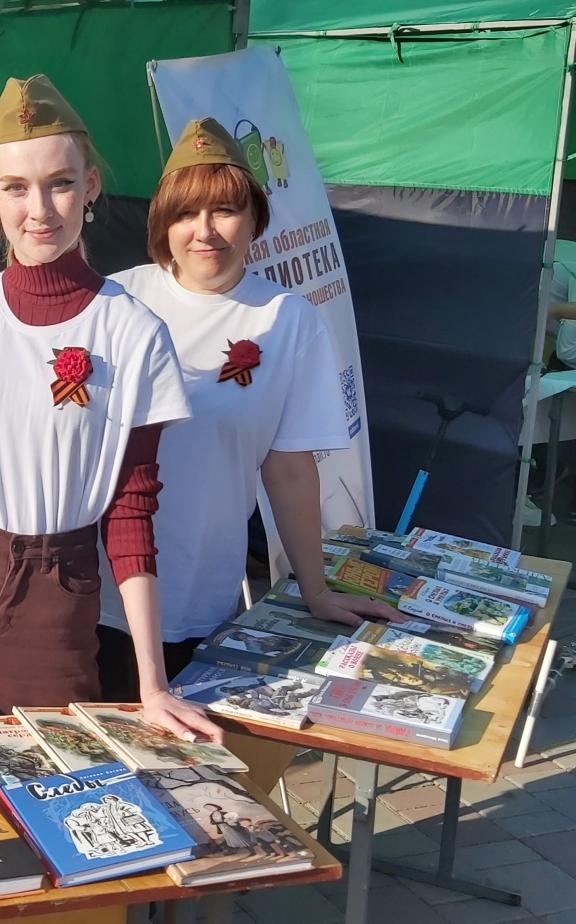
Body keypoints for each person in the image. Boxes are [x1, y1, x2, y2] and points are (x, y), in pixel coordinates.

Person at [0, 75, 222, 751]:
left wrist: (153, 683)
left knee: (54, 784)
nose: (41, 208)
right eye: (17, 187)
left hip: (58, 593)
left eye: (59, 182)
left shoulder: (133, 332)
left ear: (89, 186)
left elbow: (131, 508)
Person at [98, 118, 403, 697]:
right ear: (163, 225)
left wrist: (313, 588)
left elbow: (287, 467)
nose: (205, 232)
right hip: (95, 590)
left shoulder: (287, 320)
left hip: (200, 589)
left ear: (255, 219)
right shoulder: (116, 301)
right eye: (186, 214)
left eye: (225, 211)